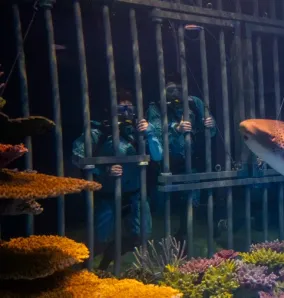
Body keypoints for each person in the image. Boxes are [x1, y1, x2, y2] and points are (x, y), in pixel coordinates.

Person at [72, 90, 163, 270]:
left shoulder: (140, 132)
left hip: (136, 195)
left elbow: (158, 156)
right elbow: (77, 156)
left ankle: (109, 257)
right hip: (107, 195)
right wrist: (102, 170)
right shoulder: (100, 131)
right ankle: (80, 271)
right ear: (110, 110)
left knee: (141, 236)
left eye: (130, 108)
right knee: (99, 239)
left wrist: (151, 133)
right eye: (121, 108)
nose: (126, 113)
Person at [146, 77, 216, 240]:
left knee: (192, 200)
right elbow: (153, 132)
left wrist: (210, 125)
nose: (176, 92)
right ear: (163, 91)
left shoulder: (195, 103)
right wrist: (175, 129)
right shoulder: (156, 107)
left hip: (193, 159)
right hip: (167, 163)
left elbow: (211, 132)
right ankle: (165, 240)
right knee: (165, 204)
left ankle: (184, 235)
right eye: (171, 90)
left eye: (179, 88)